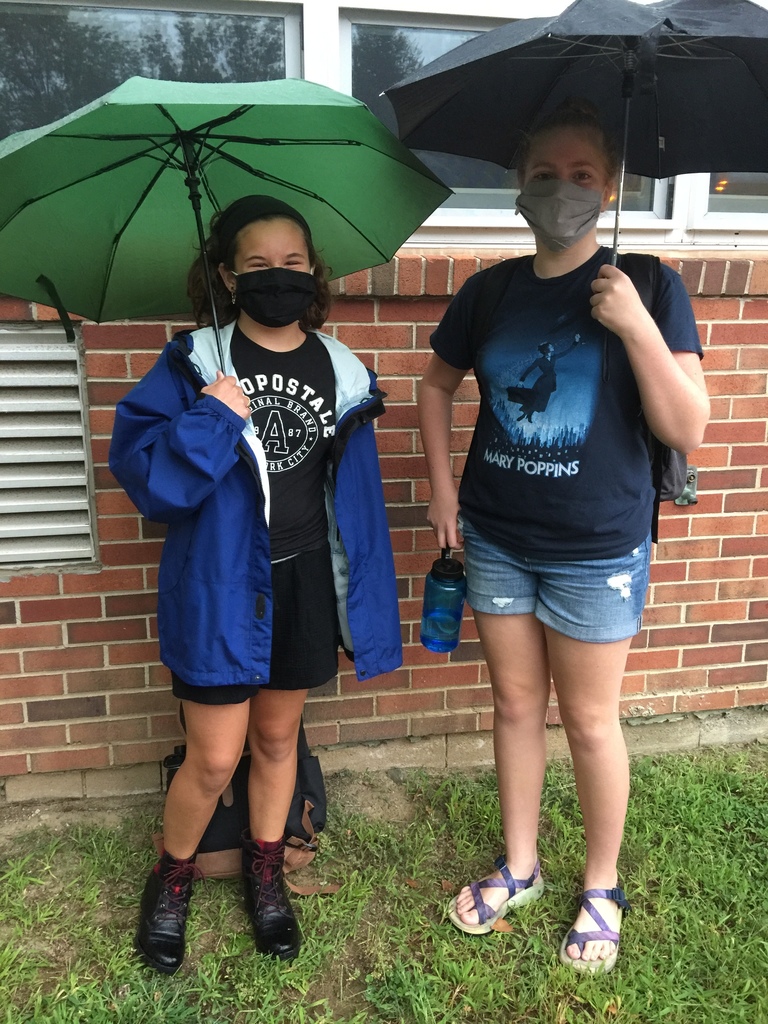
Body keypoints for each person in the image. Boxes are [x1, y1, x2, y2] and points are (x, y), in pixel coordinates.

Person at [418, 99, 709, 973]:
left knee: (587, 719)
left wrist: (635, 326)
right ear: (519, 188)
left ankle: (601, 886)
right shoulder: (490, 291)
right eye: (545, 174)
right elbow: (436, 387)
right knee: (513, 706)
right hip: (498, 536)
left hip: (597, 547)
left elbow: (688, 425)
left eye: (582, 176)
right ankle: (520, 865)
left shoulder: (650, 286)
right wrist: (441, 493)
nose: (562, 190)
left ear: (611, 189)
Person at [109, 194, 402, 974]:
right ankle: (171, 878)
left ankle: (264, 872)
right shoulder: (193, 364)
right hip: (219, 586)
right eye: (260, 265)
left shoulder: (342, 370)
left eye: (294, 264)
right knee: (211, 758)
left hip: (304, 580)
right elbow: (150, 485)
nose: (280, 277)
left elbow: (354, 500)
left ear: (315, 273)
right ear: (227, 276)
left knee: (277, 740)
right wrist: (209, 416)